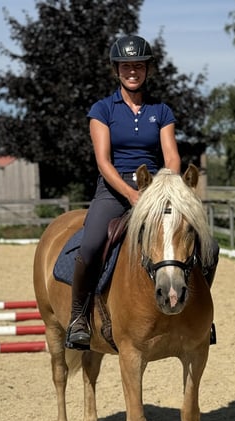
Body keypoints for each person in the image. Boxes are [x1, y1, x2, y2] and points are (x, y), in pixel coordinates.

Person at [65, 34, 217, 350]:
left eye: (138, 65)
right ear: (116, 70)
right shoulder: (102, 109)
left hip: (156, 187)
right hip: (113, 189)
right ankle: (79, 318)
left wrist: (166, 189)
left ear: (147, 69)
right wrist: (131, 194)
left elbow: (171, 156)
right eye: (125, 66)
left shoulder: (161, 111)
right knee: (92, 244)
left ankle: (201, 315)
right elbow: (103, 162)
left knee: (209, 247)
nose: (132, 71)